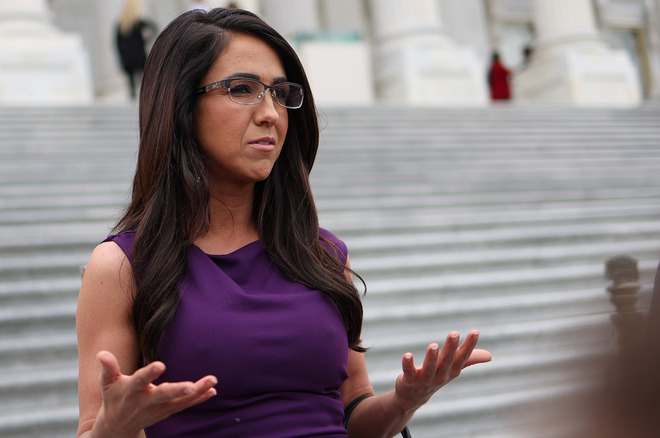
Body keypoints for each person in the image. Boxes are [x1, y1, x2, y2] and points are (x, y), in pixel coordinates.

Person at [76, 8, 492, 438]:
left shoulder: (323, 254)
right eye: (242, 89)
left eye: (280, 93)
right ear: (180, 104)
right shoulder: (121, 266)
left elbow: (353, 413)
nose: (271, 114)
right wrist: (114, 427)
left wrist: (405, 402)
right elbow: (94, 427)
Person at [115, 0, 156, 99]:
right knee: (146, 80)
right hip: (139, 56)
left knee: (132, 86)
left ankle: (134, 97)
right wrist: (147, 39)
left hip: (128, 57)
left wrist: (121, 57)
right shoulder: (139, 23)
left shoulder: (121, 25)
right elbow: (154, 28)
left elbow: (118, 43)